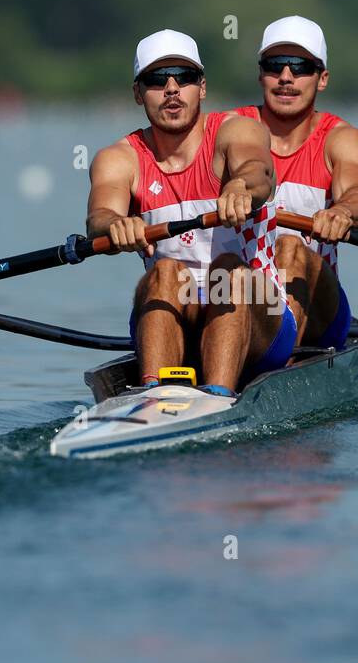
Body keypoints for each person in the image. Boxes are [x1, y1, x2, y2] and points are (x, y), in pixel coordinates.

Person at [86, 29, 295, 394]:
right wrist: (116, 224)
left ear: (201, 88)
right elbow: (99, 215)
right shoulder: (119, 158)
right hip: (175, 313)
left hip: (260, 320)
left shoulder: (237, 131)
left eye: (183, 78)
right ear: (138, 93)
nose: (171, 88)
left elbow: (259, 172)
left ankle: (217, 396)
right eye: (156, 79)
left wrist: (239, 186)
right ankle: (155, 397)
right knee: (165, 271)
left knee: (229, 270)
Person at [235, 16, 358, 348]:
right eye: (275, 65)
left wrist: (341, 211)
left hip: (319, 312)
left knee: (291, 248)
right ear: (261, 74)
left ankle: (279, 359)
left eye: (300, 67)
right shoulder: (228, 129)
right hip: (238, 300)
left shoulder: (342, 140)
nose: (286, 77)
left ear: (322, 78)